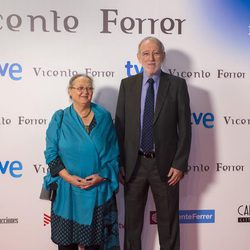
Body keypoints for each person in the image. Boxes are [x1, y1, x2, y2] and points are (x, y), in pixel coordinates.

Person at [115, 36, 191, 250]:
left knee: (168, 225)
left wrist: (179, 163)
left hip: (166, 167)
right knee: (132, 226)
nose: (151, 58)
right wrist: (120, 162)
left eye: (156, 53)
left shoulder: (177, 85)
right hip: (133, 166)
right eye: (146, 53)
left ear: (163, 56)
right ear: (138, 57)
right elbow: (120, 128)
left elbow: (185, 128)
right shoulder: (127, 85)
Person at [43, 74, 120, 250]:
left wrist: (101, 176)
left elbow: (113, 154)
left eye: (89, 88)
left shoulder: (104, 117)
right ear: (70, 92)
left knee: (95, 245)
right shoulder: (60, 118)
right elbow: (51, 153)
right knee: (66, 245)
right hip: (67, 192)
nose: (85, 92)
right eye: (80, 88)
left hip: (97, 192)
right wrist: (68, 177)